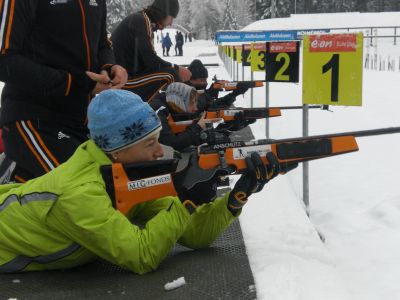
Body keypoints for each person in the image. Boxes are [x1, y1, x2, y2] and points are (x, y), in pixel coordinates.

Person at [0, 89, 282, 274]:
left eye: (157, 140)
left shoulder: (126, 173)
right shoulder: (79, 193)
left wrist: (236, 199)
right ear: (117, 149)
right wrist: (185, 200)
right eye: (149, 143)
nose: (160, 151)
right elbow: (141, 255)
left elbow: (195, 235)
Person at [0, 0, 128, 184]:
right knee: (85, 192)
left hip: (83, 120)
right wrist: (75, 82)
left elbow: (101, 42)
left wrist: (110, 66)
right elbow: (4, 60)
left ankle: (25, 180)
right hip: (33, 118)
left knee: (116, 185)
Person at [111, 0, 191, 102]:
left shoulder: (142, 20)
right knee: (171, 75)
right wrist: (176, 68)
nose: (171, 23)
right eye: (171, 18)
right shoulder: (140, 20)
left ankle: (185, 104)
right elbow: (150, 61)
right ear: (163, 13)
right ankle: (180, 112)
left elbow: (148, 61)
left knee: (172, 72)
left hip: (127, 76)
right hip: (122, 81)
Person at [150, 83, 221, 152]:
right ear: (179, 102)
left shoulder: (168, 100)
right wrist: (198, 127)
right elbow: (170, 144)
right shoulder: (158, 113)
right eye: (192, 103)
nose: (195, 108)